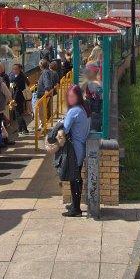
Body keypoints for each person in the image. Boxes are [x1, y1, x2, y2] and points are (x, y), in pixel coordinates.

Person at [48, 84, 90, 217]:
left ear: (77, 96)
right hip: (81, 147)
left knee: (74, 178)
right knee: (76, 176)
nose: (70, 99)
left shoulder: (73, 111)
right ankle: (75, 204)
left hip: (73, 149)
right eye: (69, 96)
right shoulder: (84, 108)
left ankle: (76, 209)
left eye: (73, 96)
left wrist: (60, 122)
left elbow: (65, 129)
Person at [9, 63, 30, 134]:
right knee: (18, 113)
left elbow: (18, 90)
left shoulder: (20, 77)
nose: (14, 70)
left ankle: (24, 129)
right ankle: (20, 129)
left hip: (18, 98)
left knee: (18, 114)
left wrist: (14, 99)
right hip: (19, 97)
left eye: (16, 69)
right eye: (13, 69)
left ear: (19, 69)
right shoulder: (17, 76)